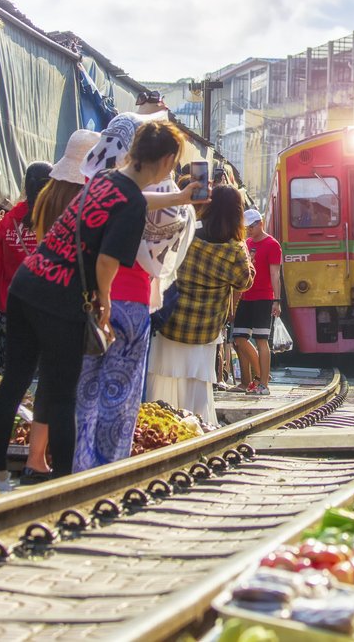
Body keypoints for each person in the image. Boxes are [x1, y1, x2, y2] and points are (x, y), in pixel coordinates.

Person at [0, 123, 163, 490]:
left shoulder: (78, 190)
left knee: (16, 381)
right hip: (61, 297)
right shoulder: (114, 197)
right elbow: (105, 263)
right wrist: (104, 306)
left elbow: (136, 199)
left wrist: (178, 199)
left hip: (27, 285)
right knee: (61, 392)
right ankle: (65, 485)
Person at [73, 116, 198, 473]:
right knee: (121, 392)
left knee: (86, 388)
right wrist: (182, 198)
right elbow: (113, 257)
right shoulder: (167, 202)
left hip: (88, 299)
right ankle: (110, 470)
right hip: (127, 301)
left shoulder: (100, 181)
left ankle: (79, 467)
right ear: (164, 160)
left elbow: (134, 199)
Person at [20, 130, 100, 478]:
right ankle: (67, 463)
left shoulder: (47, 198)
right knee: (72, 386)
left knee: (51, 383)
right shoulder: (86, 203)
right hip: (73, 297)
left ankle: (36, 459)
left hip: (43, 293)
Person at [148, 186, 254, 423]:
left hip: (170, 323)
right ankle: (195, 427)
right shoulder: (235, 249)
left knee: (162, 383)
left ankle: (159, 425)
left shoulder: (188, 233)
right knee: (196, 388)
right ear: (238, 213)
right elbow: (244, 281)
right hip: (204, 330)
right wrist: (242, 244)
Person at [0, 161, 52, 374]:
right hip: (44, 308)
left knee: (7, 372)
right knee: (40, 373)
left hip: (9, 305)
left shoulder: (7, 222)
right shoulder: (57, 220)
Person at [233, 208, 283, 396]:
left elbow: (275, 274)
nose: (248, 230)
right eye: (246, 227)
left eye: (251, 226)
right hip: (246, 296)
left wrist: (276, 301)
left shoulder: (272, 245)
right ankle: (261, 375)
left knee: (262, 339)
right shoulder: (246, 243)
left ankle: (263, 383)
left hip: (264, 297)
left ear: (260, 223)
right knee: (239, 337)